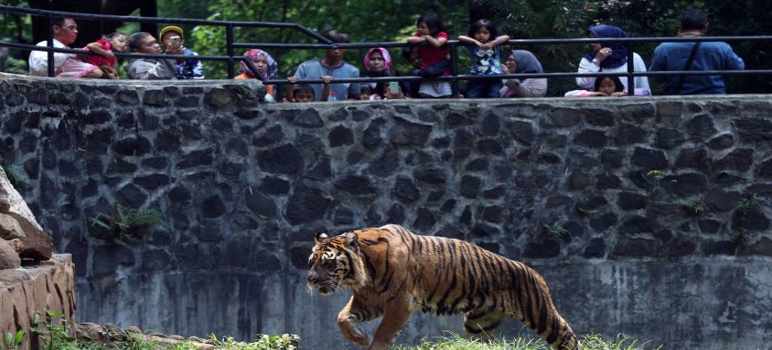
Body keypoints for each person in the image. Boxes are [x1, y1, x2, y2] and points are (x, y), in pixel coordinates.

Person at [650, 8, 744, 95]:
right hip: (715, 97)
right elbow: (739, 68)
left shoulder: (664, 48)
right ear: (706, 26)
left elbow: (656, 76)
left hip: (677, 98)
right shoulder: (721, 47)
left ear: (681, 26)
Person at [576, 24, 651, 96]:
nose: (592, 44)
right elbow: (583, 84)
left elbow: (645, 88)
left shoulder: (633, 58)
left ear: (607, 40)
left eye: (596, 40)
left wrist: (624, 93)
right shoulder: (588, 59)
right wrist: (597, 60)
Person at [289, 29, 360, 101]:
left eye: (341, 45)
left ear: (345, 48)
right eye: (333, 45)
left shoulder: (353, 71)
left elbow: (355, 97)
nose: (336, 49)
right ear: (325, 46)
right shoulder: (305, 67)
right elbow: (293, 93)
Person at [28, 17, 103, 78]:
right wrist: (70, 54)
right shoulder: (43, 45)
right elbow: (39, 68)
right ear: (56, 29)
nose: (76, 31)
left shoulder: (67, 50)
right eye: (71, 28)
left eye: (76, 28)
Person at [458, 19, 510, 98]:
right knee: (473, 96)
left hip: (494, 76)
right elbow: (460, 37)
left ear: (491, 33)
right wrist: (475, 42)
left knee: (494, 96)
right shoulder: (472, 45)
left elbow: (506, 37)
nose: (481, 35)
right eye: (478, 32)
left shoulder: (495, 43)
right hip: (477, 76)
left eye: (485, 33)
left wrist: (492, 43)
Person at [407, 12, 452, 98]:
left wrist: (427, 37)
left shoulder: (441, 34)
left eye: (423, 27)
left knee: (429, 72)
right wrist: (423, 38)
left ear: (433, 27)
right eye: (419, 27)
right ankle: (412, 95)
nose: (420, 29)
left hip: (440, 65)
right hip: (426, 66)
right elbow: (410, 39)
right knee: (414, 74)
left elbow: (438, 43)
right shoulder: (419, 35)